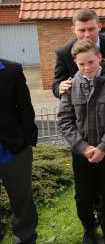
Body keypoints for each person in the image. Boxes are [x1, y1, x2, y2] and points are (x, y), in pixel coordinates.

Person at [51, 8, 105, 222]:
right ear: (74, 29)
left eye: (91, 28)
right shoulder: (64, 52)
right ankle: (98, 209)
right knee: (93, 176)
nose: (87, 34)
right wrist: (59, 87)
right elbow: (57, 82)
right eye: (82, 30)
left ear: (99, 25)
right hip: (85, 121)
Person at [57, 39, 105, 244]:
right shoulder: (71, 86)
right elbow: (65, 120)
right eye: (81, 64)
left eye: (90, 62)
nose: (87, 67)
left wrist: (103, 147)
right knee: (83, 196)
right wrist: (82, 147)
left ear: (99, 58)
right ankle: (89, 228)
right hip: (82, 153)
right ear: (75, 62)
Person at [0, 58, 38, 244]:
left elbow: (25, 107)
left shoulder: (11, 70)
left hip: (13, 150)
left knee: (22, 200)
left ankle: (25, 237)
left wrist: (27, 142)